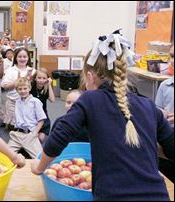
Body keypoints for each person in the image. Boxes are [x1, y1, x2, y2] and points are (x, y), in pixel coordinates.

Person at [30, 31, 174, 200]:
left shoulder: (90, 99)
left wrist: (39, 168)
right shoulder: (148, 105)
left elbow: (59, 136)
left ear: (89, 77)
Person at [8, 77, 46, 159]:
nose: (23, 91)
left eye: (25, 88)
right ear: (17, 90)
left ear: (29, 88)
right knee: (6, 156)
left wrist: (35, 133)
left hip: (30, 134)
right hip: (17, 134)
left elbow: (41, 119)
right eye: (20, 89)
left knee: (40, 159)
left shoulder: (35, 102)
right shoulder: (17, 102)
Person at [1, 48, 35, 129]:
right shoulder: (10, 70)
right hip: (13, 102)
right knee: (13, 127)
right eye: (20, 56)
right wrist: (17, 82)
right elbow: (4, 86)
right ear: (15, 58)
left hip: (27, 103)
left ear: (28, 58)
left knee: (25, 127)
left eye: (24, 56)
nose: (22, 59)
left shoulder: (32, 71)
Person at [155, 45, 174, 183]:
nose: (173, 60)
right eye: (172, 56)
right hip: (166, 141)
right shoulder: (165, 86)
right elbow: (158, 114)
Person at [30, 68, 55, 142]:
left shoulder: (46, 88)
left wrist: (49, 85)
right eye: (39, 78)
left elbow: (52, 100)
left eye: (44, 78)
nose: (41, 80)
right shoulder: (31, 86)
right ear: (35, 78)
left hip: (42, 115)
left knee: (40, 138)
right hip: (31, 114)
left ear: (47, 79)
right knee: (32, 137)